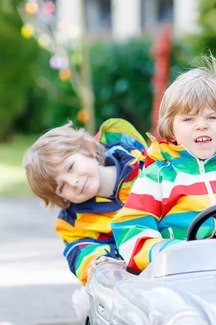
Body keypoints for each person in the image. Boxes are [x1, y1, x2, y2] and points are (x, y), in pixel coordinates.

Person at [111, 55, 216, 273]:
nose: (201, 126)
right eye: (188, 119)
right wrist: (178, 253)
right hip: (179, 276)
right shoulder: (156, 178)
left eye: (212, 118)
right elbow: (133, 232)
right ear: (170, 127)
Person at [23, 118, 147, 287]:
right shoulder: (76, 222)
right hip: (132, 283)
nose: (73, 182)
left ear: (86, 149)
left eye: (70, 167)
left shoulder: (143, 166)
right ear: (61, 197)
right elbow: (80, 249)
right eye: (61, 186)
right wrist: (97, 262)